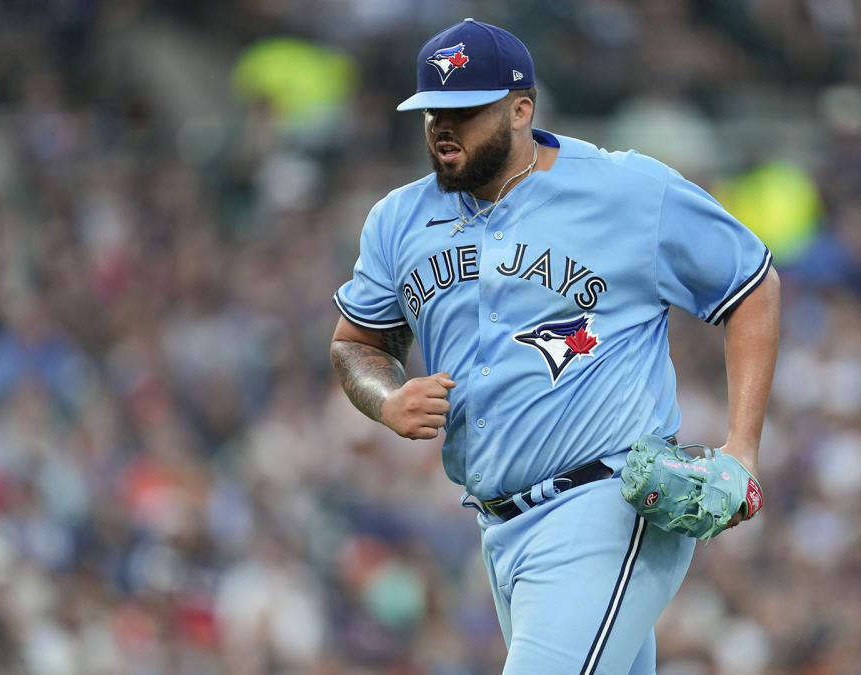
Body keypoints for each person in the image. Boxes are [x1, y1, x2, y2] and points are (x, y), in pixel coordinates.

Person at [329, 18, 780, 674]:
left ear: (521, 110)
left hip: (606, 503)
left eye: (464, 111)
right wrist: (387, 397)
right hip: (498, 527)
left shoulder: (624, 189)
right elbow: (356, 343)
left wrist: (742, 448)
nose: (443, 129)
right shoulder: (399, 218)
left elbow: (750, 283)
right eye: (433, 113)